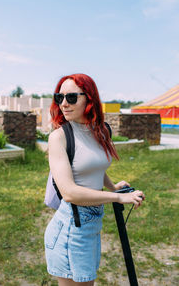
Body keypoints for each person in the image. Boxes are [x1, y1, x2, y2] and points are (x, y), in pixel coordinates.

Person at [44, 73, 145, 286]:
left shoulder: (101, 130)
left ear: (89, 98)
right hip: (72, 227)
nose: (63, 104)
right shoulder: (59, 137)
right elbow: (70, 193)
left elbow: (93, 165)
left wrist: (112, 185)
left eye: (71, 98)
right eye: (59, 97)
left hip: (91, 223)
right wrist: (117, 198)